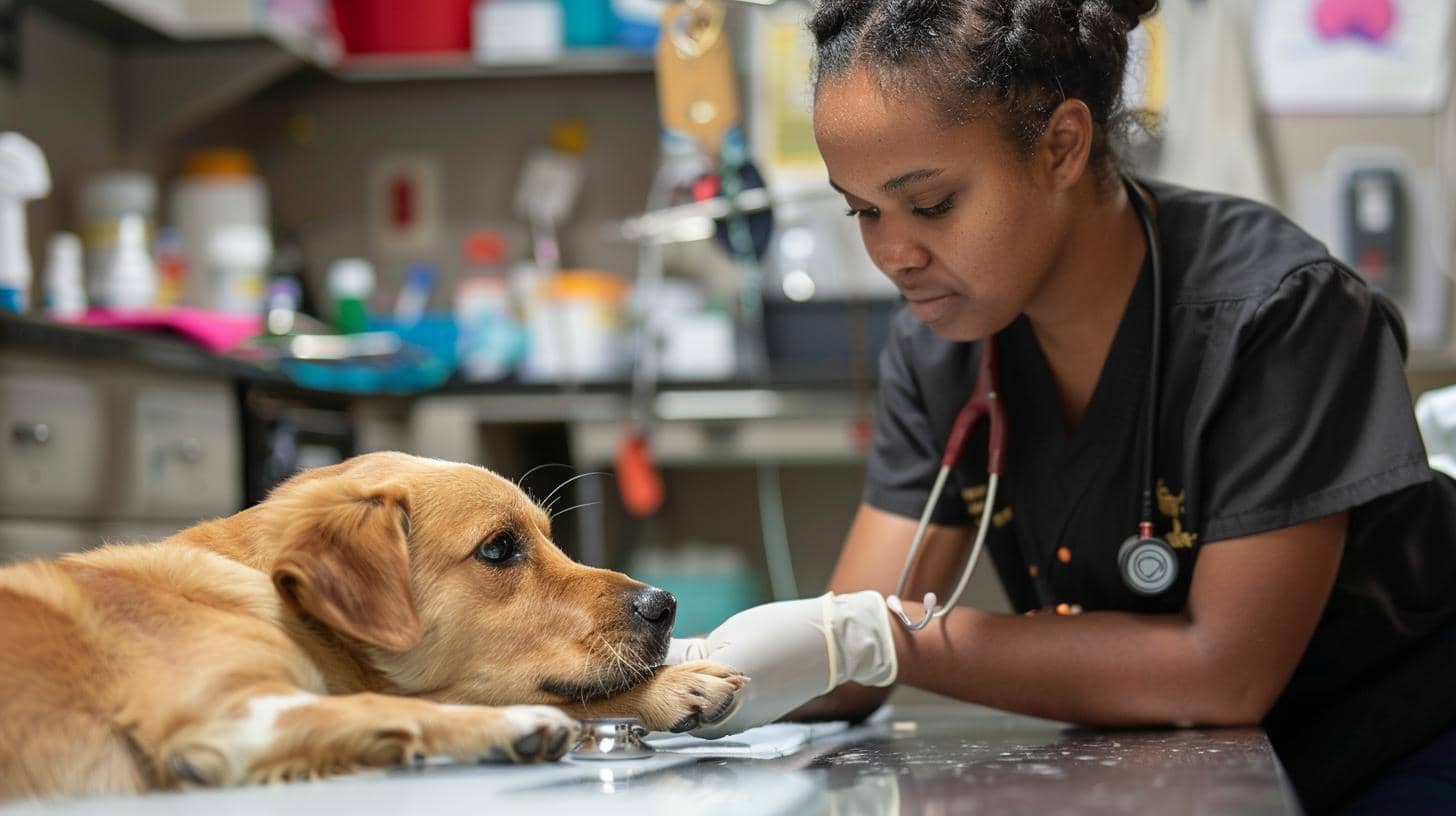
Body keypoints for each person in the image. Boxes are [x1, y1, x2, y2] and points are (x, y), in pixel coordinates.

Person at [662, 0, 1456, 812]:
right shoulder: (943, 347)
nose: (893, 255)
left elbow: (1223, 673)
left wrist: (876, 640)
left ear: (1061, 145)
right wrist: (671, 666)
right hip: (1172, 762)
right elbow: (845, 662)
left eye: (931, 204)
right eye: (862, 210)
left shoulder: (1279, 315)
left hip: (1399, 747)